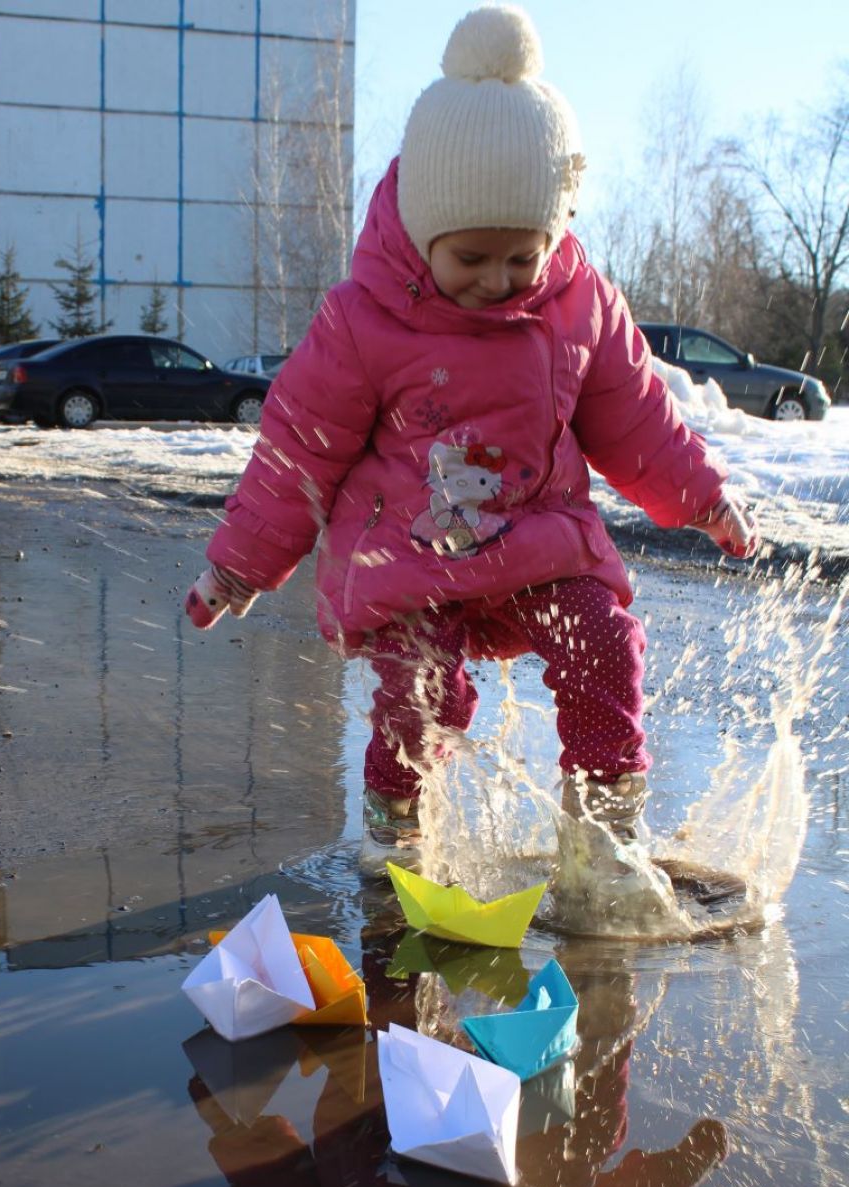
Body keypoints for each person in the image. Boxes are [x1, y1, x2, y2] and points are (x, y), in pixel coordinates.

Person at [184, 5, 756, 883]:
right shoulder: (364, 321)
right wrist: (239, 565)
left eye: (522, 258)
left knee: (603, 641)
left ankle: (605, 837)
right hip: (411, 561)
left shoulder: (580, 305)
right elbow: (298, 455)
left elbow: (637, 416)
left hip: (540, 545)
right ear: (422, 233)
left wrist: (703, 497)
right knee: (425, 693)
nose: (499, 282)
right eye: (472, 259)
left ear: (553, 232)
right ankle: (396, 824)